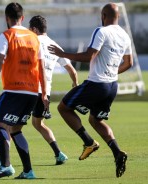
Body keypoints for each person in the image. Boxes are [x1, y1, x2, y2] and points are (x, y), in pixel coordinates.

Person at [0, 15, 78, 168]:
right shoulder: (54, 45)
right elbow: (72, 70)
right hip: (44, 92)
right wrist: (75, 84)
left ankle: (3, 160)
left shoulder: (31, 40)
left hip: (28, 87)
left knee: (8, 125)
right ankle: (58, 153)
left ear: (33, 29)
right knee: (38, 124)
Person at [48, 3, 133, 178]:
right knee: (96, 120)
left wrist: (62, 54)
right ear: (118, 16)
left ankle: (89, 142)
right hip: (112, 86)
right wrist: (111, 72)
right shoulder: (124, 35)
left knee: (63, 108)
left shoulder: (101, 31)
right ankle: (117, 153)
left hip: (96, 84)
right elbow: (129, 63)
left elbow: (88, 56)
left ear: (103, 15)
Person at [0, 2, 49, 181]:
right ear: (22, 18)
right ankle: (28, 171)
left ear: (6, 18)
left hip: (13, 90)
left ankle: (6, 166)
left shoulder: (6, 35)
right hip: (32, 93)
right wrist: (43, 92)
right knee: (15, 130)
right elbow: (41, 66)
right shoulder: (34, 37)